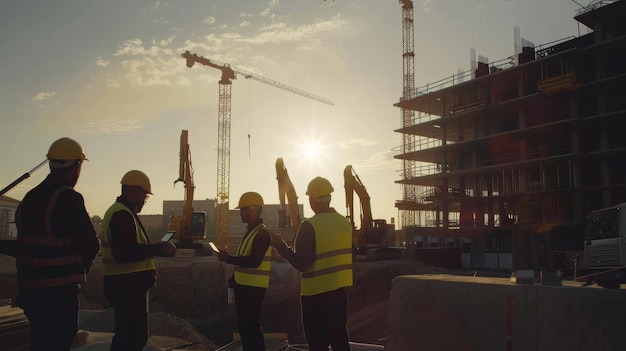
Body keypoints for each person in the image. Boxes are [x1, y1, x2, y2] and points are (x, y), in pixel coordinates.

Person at [14, 137, 100, 351]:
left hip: (29, 291)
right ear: (77, 166)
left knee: (40, 342)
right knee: (58, 342)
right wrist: (77, 272)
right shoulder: (69, 198)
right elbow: (90, 244)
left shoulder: (28, 198)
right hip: (58, 294)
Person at [270, 177, 353, 351]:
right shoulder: (344, 223)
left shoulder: (309, 226)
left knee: (318, 344)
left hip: (315, 296)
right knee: (340, 340)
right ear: (329, 197)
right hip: (339, 293)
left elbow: (301, 263)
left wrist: (280, 245)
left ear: (312, 200)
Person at [101, 170, 176, 351]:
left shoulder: (121, 212)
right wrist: (159, 249)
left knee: (127, 335)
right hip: (127, 285)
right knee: (133, 337)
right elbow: (125, 253)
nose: (144, 201)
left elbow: (129, 248)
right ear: (134, 192)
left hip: (125, 284)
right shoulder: (122, 215)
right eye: (144, 196)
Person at [216, 192, 272, 351]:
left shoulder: (262, 234)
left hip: (252, 290)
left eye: (243, 209)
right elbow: (245, 261)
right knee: (246, 329)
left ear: (253, 209)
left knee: (251, 330)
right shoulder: (251, 232)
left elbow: (254, 261)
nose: (240, 213)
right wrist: (234, 279)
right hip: (245, 287)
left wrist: (229, 259)